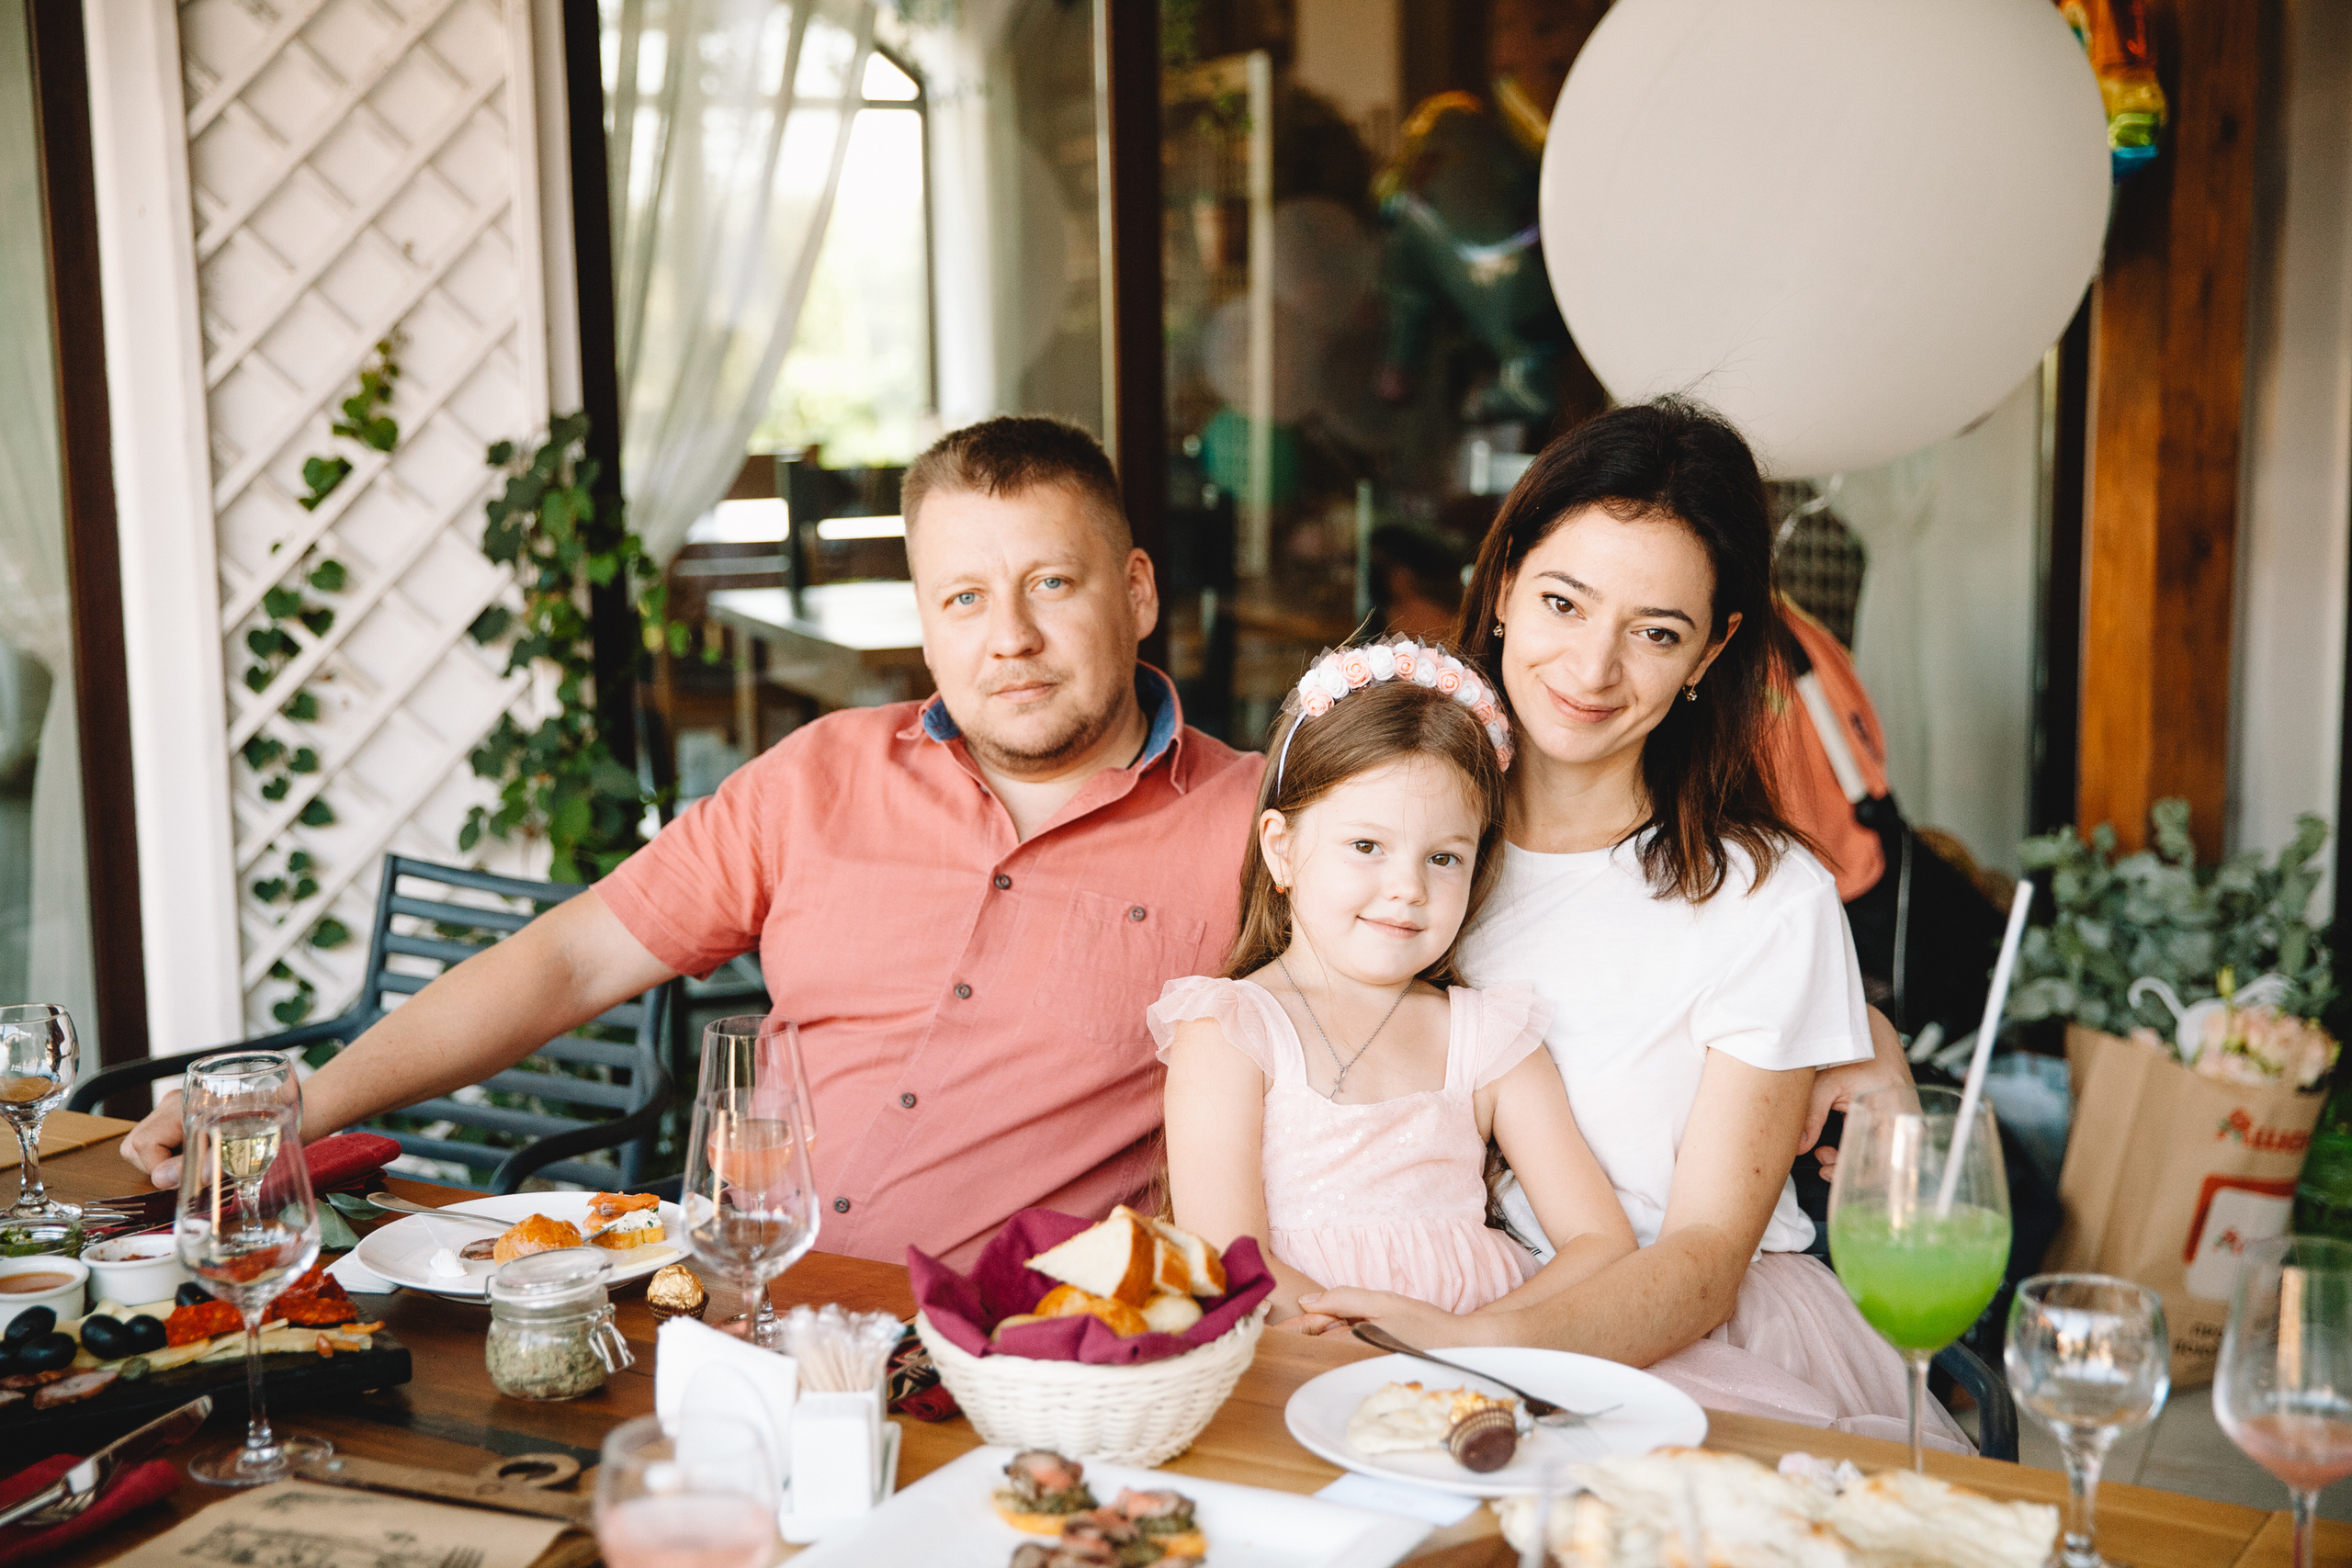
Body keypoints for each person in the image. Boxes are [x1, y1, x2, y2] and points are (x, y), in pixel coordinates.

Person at [120, 417, 1268, 1269]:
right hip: (740, 1310)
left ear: (1137, 592)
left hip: (1021, 1364)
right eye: (963, 598)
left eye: (1050, 584)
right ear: (924, 621)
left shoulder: (1263, 832)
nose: (1008, 638)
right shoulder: (818, 776)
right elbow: (565, 962)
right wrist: (298, 1106)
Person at [1297, 398, 1960, 1450]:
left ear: (1710, 653)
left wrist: (1473, 1349)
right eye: (1564, 602)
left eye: (1655, 633)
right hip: (1383, 1320)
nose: (1593, 669)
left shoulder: (1764, 898)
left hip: (1677, 1348)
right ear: (1505, 582)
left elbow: (1700, 1265)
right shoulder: (1394, 832)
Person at [1153, 641, 1634, 1325]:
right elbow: (1229, 1260)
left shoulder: (1488, 1039)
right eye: (1366, 846)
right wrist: (1384, 1347)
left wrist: (1469, 1342)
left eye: (1443, 857)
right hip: (1300, 1365)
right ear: (1280, 848)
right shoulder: (1232, 1031)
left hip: (1480, 1375)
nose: (1408, 888)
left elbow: (1603, 1243)